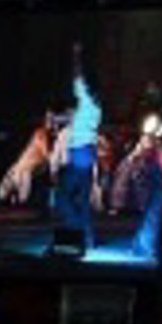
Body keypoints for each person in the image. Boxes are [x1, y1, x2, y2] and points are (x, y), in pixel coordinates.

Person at [55, 47, 103, 252]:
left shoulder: (85, 99)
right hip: (89, 152)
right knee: (82, 197)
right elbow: (76, 120)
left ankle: (75, 231)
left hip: (79, 152)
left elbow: (77, 74)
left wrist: (76, 55)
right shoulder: (96, 106)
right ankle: (88, 237)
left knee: (63, 195)